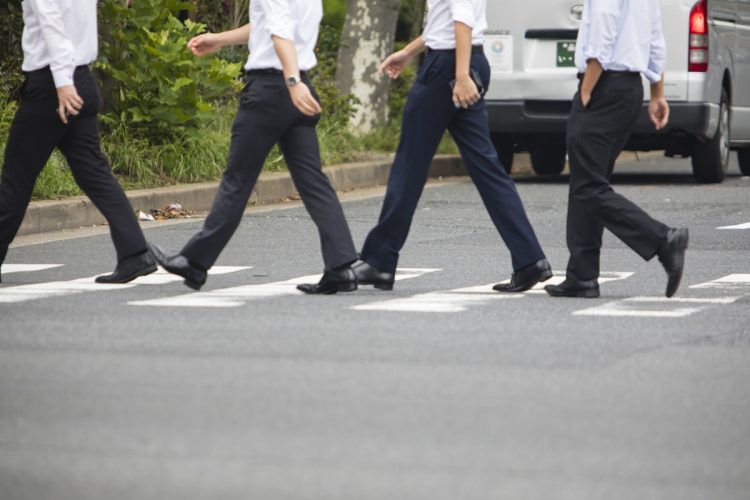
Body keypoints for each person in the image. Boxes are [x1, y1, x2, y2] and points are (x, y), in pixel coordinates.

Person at [148, 0, 359, 294]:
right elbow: (268, 25)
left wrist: (292, 81)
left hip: (273, 89)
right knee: (314, 182)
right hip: (299, 88)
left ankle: (194, 261)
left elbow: (280, 33)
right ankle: (341, 267)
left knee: (238, 180)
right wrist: (220, 39)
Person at [353, 0, 551, 292]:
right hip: (466, 60)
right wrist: (409, 51)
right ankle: (530, 259)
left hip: (450, 66)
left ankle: (380, 260)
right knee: (488, 169)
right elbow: (447, 22)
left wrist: (460, 76)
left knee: (409, 167)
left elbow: (462, 21)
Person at [0, 0, 156, 285]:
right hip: (81, 78)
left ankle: (136, 254)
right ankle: (135, 254)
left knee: (16, 179)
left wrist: (62, 82)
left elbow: (52, 25)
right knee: (95, 175)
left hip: (54, 86)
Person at [544, 0, 688, 299]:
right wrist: (657, 93)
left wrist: (588, 87)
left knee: (588, 188)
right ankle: (582, 275)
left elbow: (603, 26)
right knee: (588, 180)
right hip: (629, 88)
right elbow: (655, 39)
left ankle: (663, 239)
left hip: (604, 86)